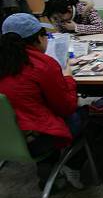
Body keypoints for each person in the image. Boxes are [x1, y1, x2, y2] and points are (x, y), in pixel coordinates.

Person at [0, 13, 84, 188]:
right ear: (38, 38)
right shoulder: (42, 65)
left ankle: (47, 169)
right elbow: (67, 107)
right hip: (36, 139)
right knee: (83, 114)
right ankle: (71, 167)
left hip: (8, 137)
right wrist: (68, 78)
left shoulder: (6, 61)